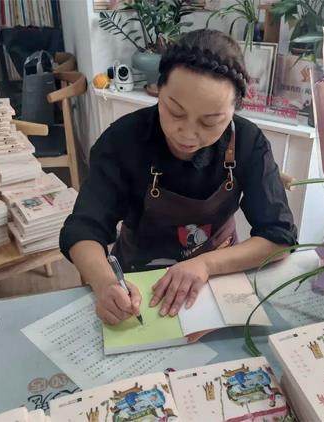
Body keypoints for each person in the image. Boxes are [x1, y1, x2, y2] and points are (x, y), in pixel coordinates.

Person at [60, 29, 297, 325]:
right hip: (140, 279)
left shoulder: (247, 141)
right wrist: (105, 283)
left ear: (234, 109)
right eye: (175, 111)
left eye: (210, 122)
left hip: (219, 275)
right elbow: (83, 228)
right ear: (158, 90)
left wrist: (206, 264)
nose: (188, 133)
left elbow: (280, 237)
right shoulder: (123, 140)